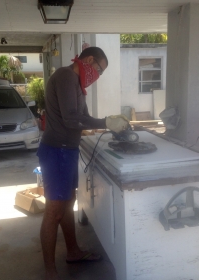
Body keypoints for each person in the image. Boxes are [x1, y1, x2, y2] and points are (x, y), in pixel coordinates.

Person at [37, 46, 129, 280]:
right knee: (53, 211)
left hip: (66, 151)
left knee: (67, 205)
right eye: (99, 69)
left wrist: (105, 123)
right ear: (88, 60)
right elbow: (71, 119)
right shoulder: (66, 76)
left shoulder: (77, 84)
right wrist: (106, 122)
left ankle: (73, 252)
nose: (98, 75)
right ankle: (49, 272)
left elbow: (84, 118)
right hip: (57, 151)